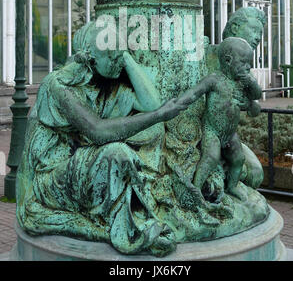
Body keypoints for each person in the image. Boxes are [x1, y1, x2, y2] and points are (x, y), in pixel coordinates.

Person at [16, 21, 190, 257]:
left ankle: (136, 203)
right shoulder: (58, 84)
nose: (118, 60)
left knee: (153, 132)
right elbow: (97, 131)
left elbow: (152, 105)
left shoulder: (107, 86)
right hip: (51, 176)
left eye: (120, 53)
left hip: (79, 161)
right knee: (116, 153)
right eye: (112, 55)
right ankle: (128, 230)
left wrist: (125, 57)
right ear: (90, 58)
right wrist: (158, 115)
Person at [176, 37, 262, 202]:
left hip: (230, 134)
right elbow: (195, 92)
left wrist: (251, 83)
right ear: (228, 61)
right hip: (212, 131)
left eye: (249, 63)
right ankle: (196, 187)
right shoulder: (215, 79)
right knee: (211, 157)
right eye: (244, 62)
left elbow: (257, 96)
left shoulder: (240, 83)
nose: (248, 67)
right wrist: (179, 103)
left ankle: (232, 186)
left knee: (239, 159)